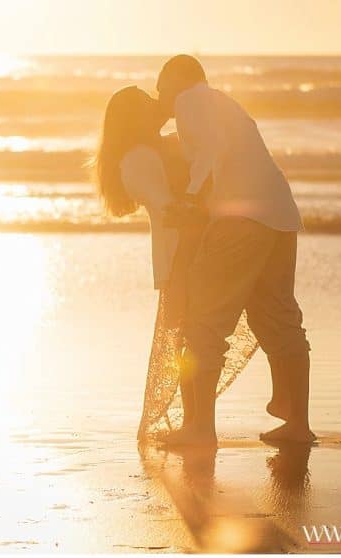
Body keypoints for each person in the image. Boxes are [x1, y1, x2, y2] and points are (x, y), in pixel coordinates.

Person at [154, 54, 315, 448]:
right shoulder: (223, 102)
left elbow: (210, 150)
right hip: (279, 214)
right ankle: (298, 424)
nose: (160, 98)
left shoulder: (189, 100)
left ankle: (200, 430)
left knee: (203, 319)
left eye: (161, 87)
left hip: (240, 219)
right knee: (278, 316)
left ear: (178, 80)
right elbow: (219, 150)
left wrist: (191, 199)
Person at [92, 86, 257, 441]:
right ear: (134, 116)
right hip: (181, 254)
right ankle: (197, 425)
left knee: (194, 337)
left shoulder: (157, 148)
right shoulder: (138, 158)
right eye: (146, 100)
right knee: (192, 339)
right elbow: (169, 208)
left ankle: (196, 424)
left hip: (188, 251)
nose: (157, 100)